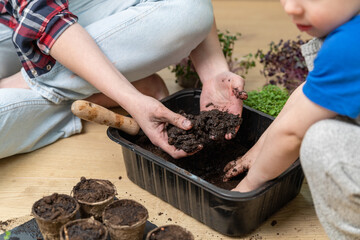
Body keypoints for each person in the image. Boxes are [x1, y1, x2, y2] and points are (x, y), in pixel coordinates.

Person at [0, 0, 246, 159]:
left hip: (71, 10)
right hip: (14, 24)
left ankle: (96, 85)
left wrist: (213, 72)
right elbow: (43, 20)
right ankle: (97, 93)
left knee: (189, 8)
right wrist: (132, 99)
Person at [223, 0, 360, 239]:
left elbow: (291, 135)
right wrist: (257, 150)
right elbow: (309, 92)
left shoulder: (350, 44)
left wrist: (246, 188)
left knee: (322, 142)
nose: (291, 7)